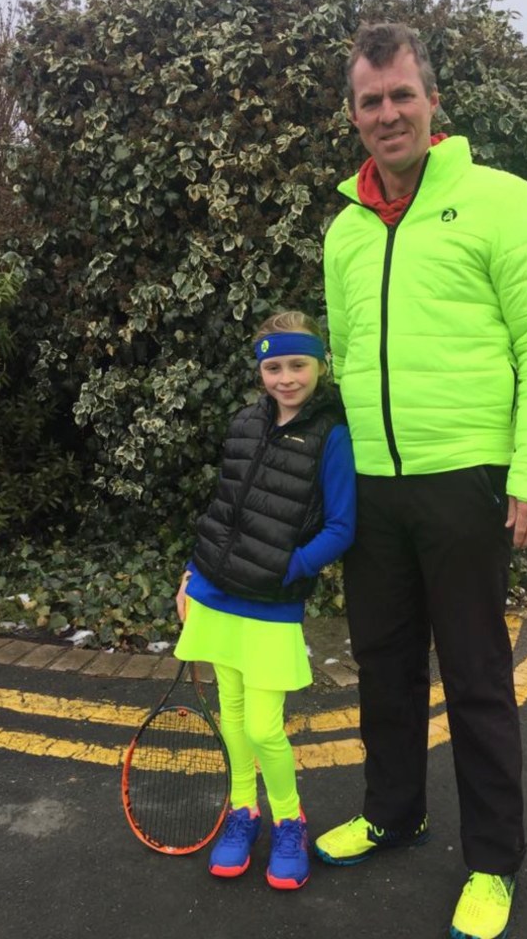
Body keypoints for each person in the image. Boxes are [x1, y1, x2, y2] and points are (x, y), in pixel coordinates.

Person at [313, 23, 527, 939]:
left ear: (432, 103)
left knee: (474, 678)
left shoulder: (502, 202)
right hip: (380, 487)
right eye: (370, 101)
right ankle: (393, 812)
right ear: (354, 115)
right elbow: (346, 354)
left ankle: (495, 862)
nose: (387, 113)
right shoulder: (344, 229)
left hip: (468, 480)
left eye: (400, 95)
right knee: (383, 664)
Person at [174, 310, 356, 891]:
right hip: (213, 592)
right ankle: (241, 811)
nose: (285, 377)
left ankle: (288, 819)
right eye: (273, 366)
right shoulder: (244, 423)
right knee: (232, 716)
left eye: (297, 364)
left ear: (319, 366)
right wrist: (189, 574)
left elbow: (342, 526)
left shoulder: (332, 433)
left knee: (265, 728)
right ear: (260, 371)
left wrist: (286, 569)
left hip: (271, 604)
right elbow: (222, 508)